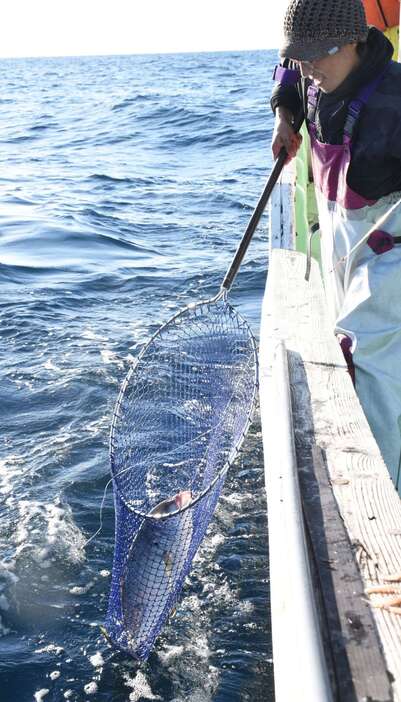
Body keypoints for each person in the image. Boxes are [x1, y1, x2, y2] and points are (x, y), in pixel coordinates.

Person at [270, 0, 401, 493]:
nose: (306, 69)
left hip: (390, 256)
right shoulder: (312, 76)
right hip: (342, 240)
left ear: (352, 41)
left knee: (372, 375)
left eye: (313, 57)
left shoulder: (396, 98)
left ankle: (383, 496)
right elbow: (288, 76)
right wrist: (286, 118)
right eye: (297, 58)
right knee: (346, 351)